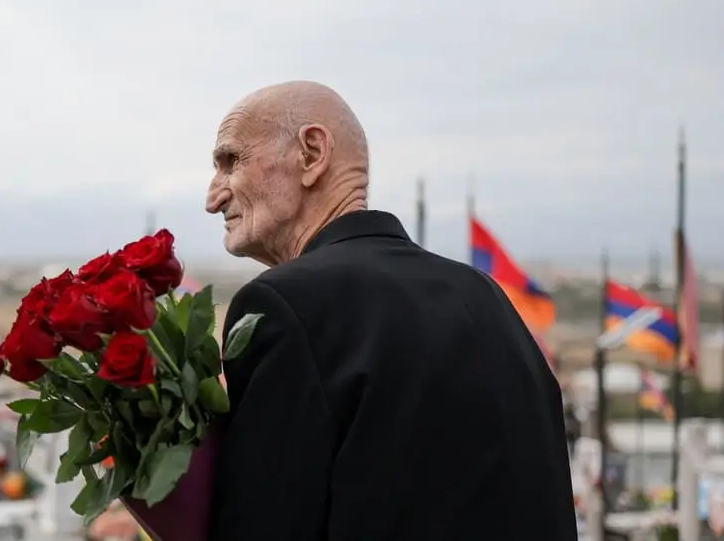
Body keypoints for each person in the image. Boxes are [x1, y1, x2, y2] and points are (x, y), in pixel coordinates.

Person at [205, 81, 576, 540]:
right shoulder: (488, 297)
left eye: (229, 162)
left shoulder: (283, 307)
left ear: (312, 153)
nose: (213, 197)